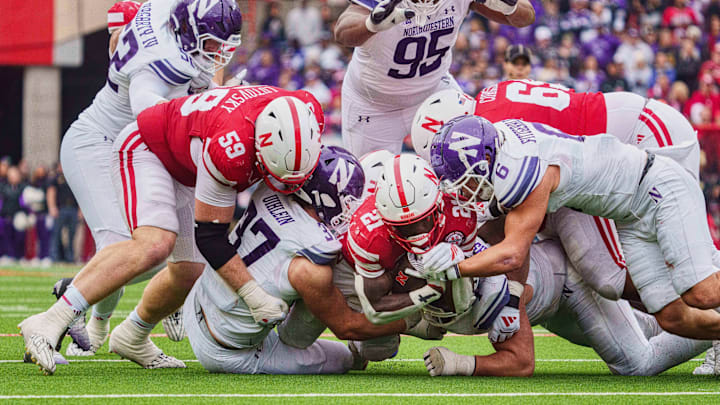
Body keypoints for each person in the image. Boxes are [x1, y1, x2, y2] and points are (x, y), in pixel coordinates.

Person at [19, 86, 323, 376]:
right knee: (154, 244)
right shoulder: (231, 146)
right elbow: (211, 237)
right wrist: (254, 295)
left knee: (189, 270)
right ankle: (50, 320)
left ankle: (133, 334)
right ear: (258, 145)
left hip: (188, 157)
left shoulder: (306, 110)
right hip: (146, 147)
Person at [46, 0, 243, 358]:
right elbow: (150, 114)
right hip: (102, 144)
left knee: (187, 264)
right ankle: (64, 310)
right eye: (210, 42)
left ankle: (128, 332)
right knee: (134, 249)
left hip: (145, 150)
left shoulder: (177, 31)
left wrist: (218, 97)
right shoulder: (158, 59)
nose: (217, 52)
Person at [420, 115, 720, 342]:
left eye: (467, 178)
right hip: (630, 214)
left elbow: (512, 254)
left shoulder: (523, 170)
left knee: (702, 294)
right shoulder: (501, 141)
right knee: (673, 317)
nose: (465, 188)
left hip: (655, 188)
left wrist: (458, 266)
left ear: (485, 160)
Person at [410, 81, 701, 302]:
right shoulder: (490, 109)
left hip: (643, 133)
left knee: (633, 267)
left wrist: (460, 263)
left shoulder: (494, 136)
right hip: (611, 148)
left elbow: (510, 235)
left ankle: (708, 327)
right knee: (618, 269)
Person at [185, 145, 413, 374]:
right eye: (347, 199)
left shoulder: (269, 190)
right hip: (229, 351)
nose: (350, 206)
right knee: (344, 358)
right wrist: (412, 322)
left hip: (197, 301)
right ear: (325, 197)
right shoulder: (317, 249)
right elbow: (347, 326)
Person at [423, 238, 711, 376]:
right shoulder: (421, 286)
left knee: (634, 365)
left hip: (570, 284)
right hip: (552, 304)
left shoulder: (496, 290)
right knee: (645, 331)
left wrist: (459, 363)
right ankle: (710, 323)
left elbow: (522, 363)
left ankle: (715, 332)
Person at [334, 0, 535, 157]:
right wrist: (370, 24)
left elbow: (525, 16)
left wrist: (510, 7)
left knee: (473, 158)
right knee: (368, 184)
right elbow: (342, 31)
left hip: (432, 91)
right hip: (373, 103)